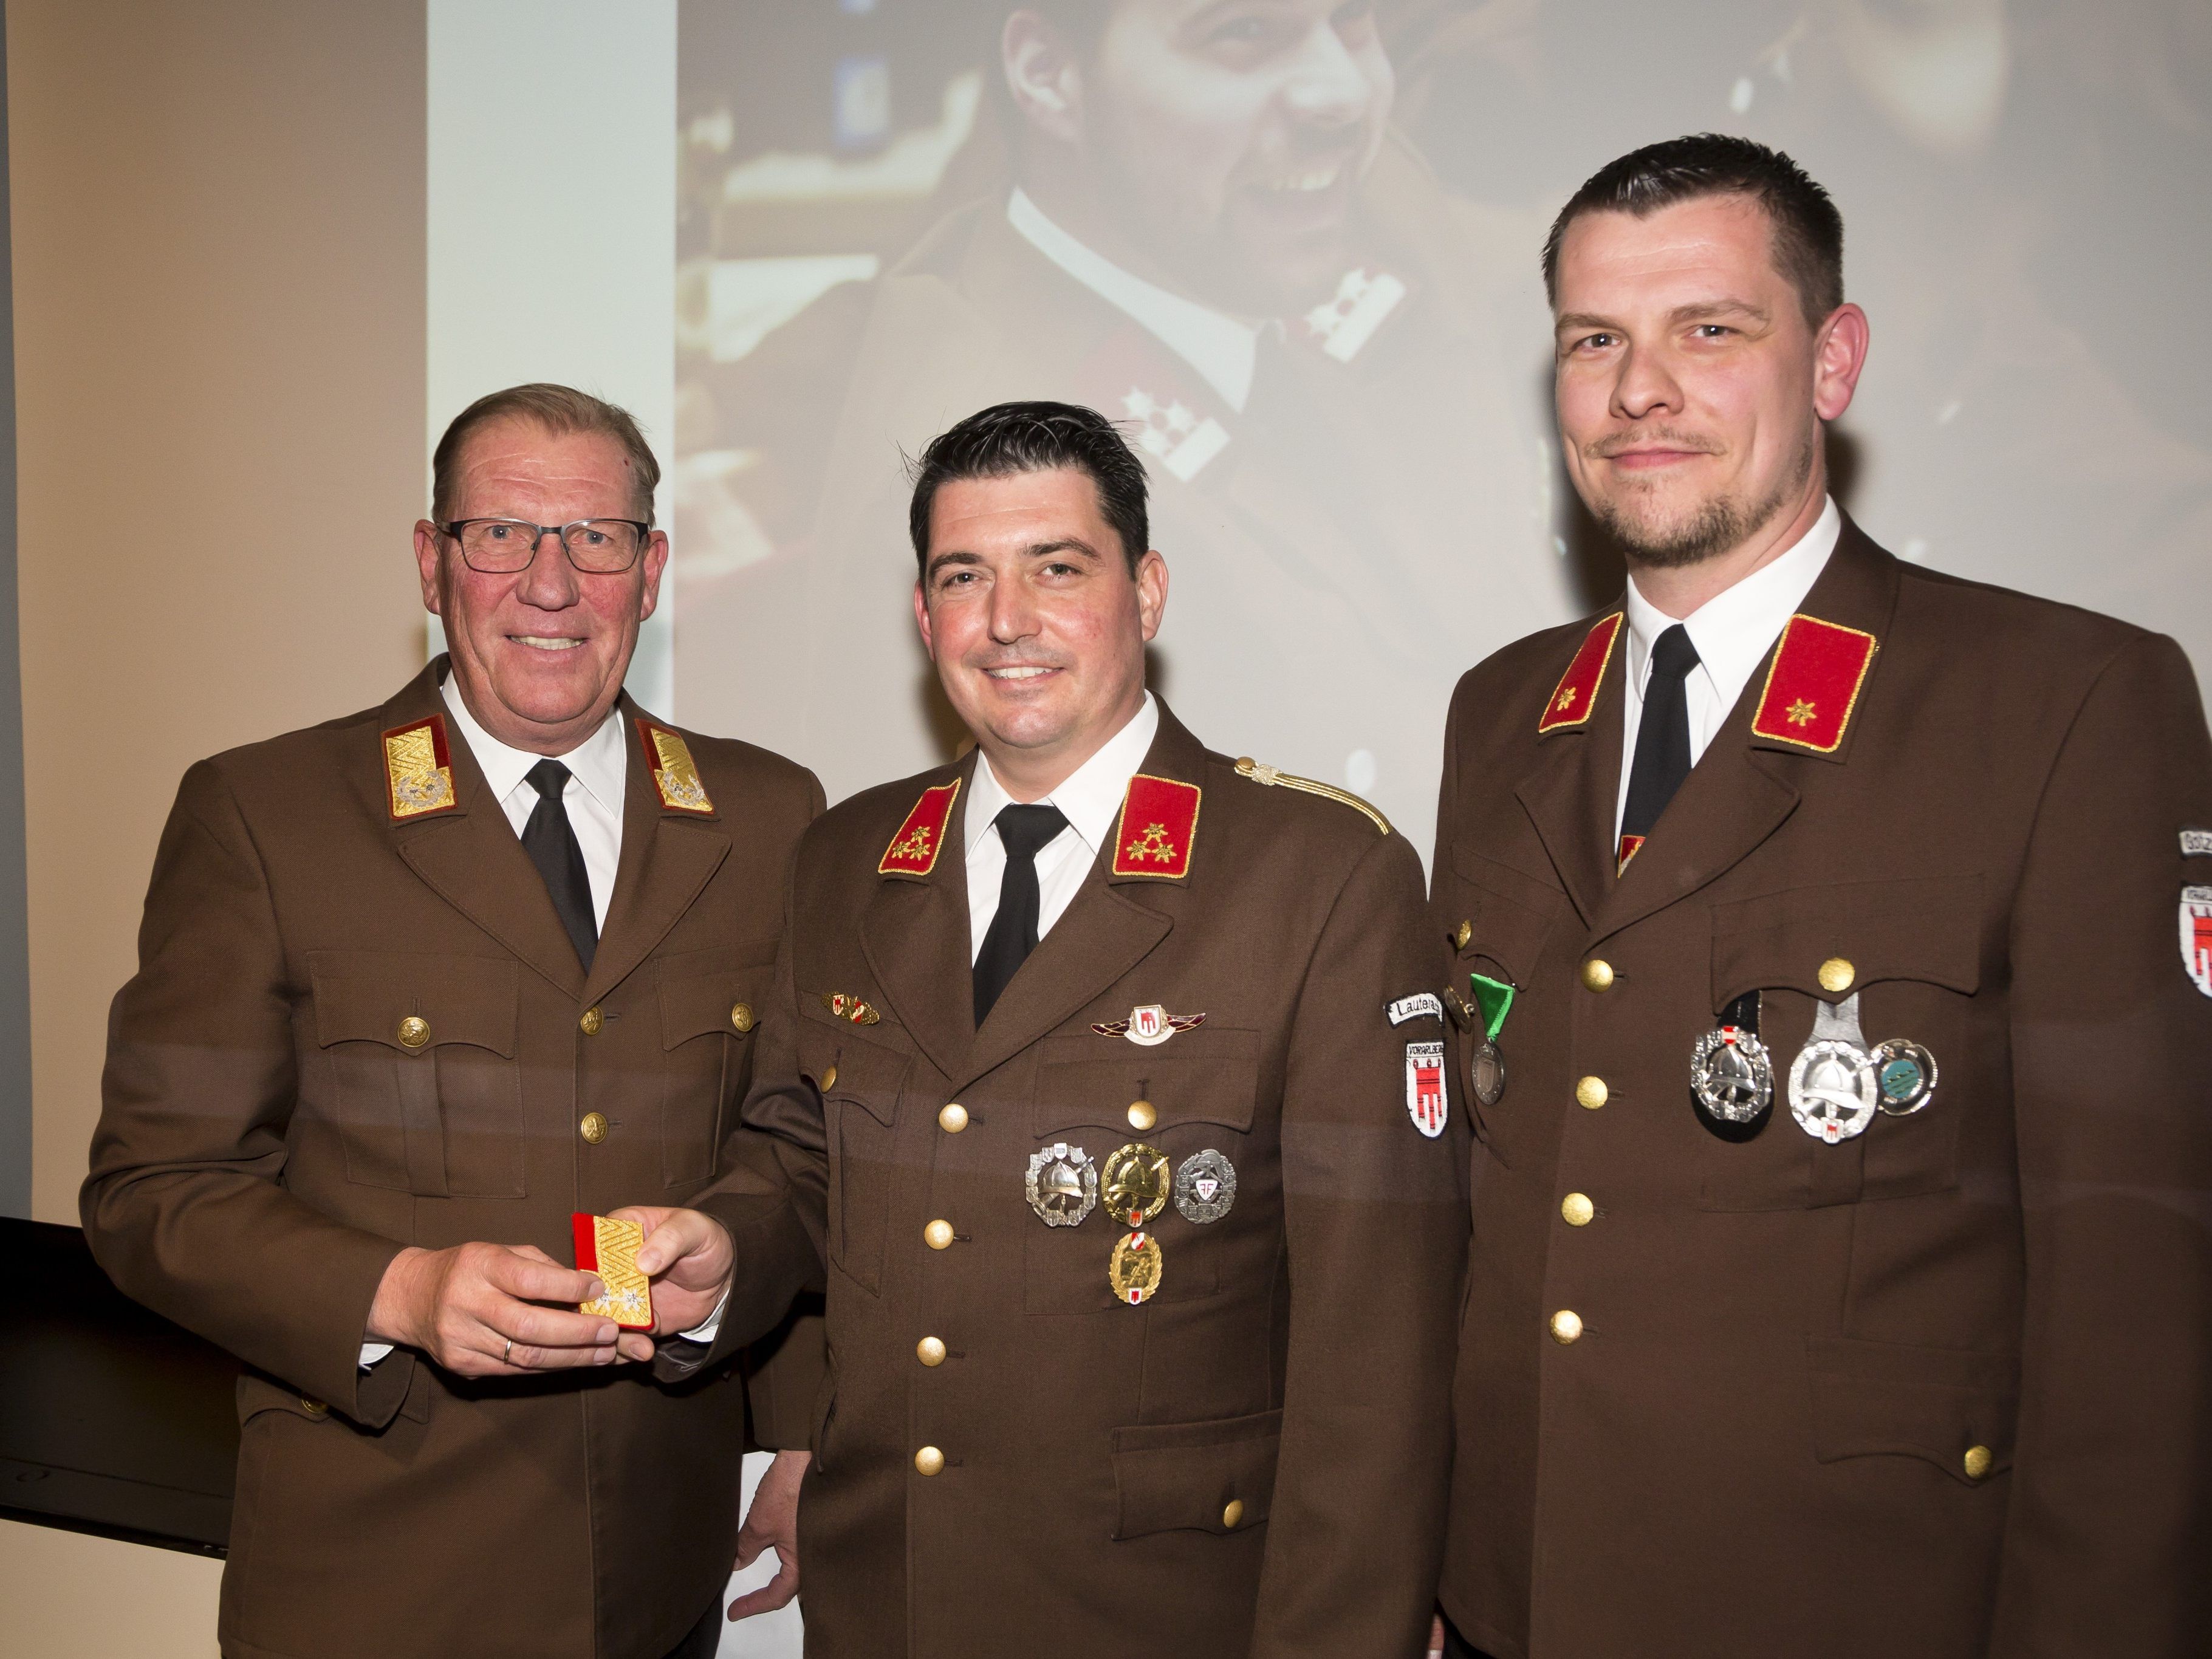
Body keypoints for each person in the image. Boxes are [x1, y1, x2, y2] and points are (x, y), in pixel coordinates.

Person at [1430, 134, 2212, 1658]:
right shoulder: (1505, 710)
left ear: (1833, 361)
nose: (1639, 391)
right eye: (1596, 341)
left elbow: (2138, 1304)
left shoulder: (2065, 702)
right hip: (1521, 1601)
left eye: (1708, 331)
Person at [628, 400, 1465, 1655]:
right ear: (924, 617)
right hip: (887, 1604)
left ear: (1149, 590)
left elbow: (1378, 1357)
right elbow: (801, 1159)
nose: (1008, 621)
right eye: (964, 576)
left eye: (1057, 569)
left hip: (1169, 1612)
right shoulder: (849, 859)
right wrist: (719, 1249)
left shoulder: (1319, 874)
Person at [81, 384, 824, 1659]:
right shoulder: (269, 816)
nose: (551, 584)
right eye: (500, 535)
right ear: (432, 563)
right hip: (378, 1573)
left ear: (651, 572)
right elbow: (153, 1190)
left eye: (595, 538)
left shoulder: (766, 815)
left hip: (658, 1568)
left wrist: (803, 1417)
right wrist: (399, 1290)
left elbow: (793, 1149)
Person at [676, 0, 1560, 842]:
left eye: (1350, 18)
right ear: (1048, 75)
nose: (1340, 95)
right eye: (1243, 33)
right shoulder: (978, 467)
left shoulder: (1340, 195)